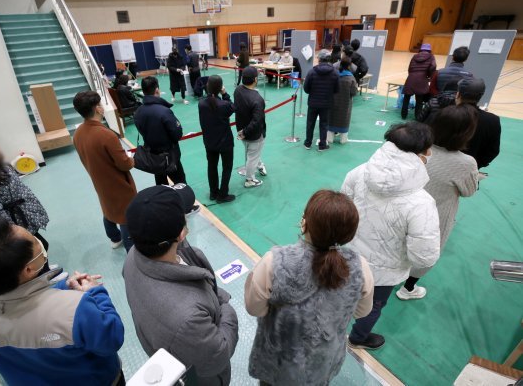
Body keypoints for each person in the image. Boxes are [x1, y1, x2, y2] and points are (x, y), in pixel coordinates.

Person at [0, 217, 125, 385]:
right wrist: (96, 292)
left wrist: (61, 288)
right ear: (29, 269)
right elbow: (112, 338)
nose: (38, 241)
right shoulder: (76, 309)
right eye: (34, 239)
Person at [245, 190, 374, 385]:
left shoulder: (274, 262)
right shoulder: (360, 266)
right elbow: (362, 311)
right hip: (323, 362)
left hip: (278, 362)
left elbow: (255, 308)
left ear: (305, 223)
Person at [123, 184, 239, 386]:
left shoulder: (133, 257)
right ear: (181, 233)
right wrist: (226, 307)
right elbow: (219, 354)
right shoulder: (187, 319)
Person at [342, 122, 440, 349]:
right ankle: (357, 338)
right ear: (421, 154)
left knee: (343, 294)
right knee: (372, 306)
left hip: (348, 257)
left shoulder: (359, 172)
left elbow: (342, 211)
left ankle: (335, 325)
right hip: (384, 273)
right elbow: (423, 257)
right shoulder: (422, 203)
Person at [398, 106, 478, 300]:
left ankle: (394, 277)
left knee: (401, 242)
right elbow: (468, 191)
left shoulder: (418, 148)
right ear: (466, 134)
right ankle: (407, 288)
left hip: (405, 206)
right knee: (427, 248)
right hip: (437, 213)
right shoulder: (466, 163)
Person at [73, 91, 136, 252]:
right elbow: (125, 164)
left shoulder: (78, 133)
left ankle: (114, 238)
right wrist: (131, 159)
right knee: (126, 215)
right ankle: (132, 253)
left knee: (108, 208)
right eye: (100, 104)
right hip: (118, 183)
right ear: (97, 109)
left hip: (99, 180)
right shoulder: (106, 135)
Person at [134, 77, 197, 201]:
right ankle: (186, 206)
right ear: (157, 90)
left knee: (161, 183)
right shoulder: (164, 111)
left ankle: (164, 204)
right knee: (180, 182)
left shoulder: (138, 112)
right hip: (170, 156)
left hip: (153, 155)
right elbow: (177, 133)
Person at [198, 75, 236, 203]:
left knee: (212, 166)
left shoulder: (201, 103)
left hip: (209, 141)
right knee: (227, 167)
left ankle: (213, 193)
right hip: (225, 142)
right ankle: (223, 194)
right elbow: (232, 106)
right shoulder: (224, 105)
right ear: (220, 88)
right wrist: (225, 94)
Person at [456, 78, 501, 169]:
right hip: (471, 169)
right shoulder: (493, 120)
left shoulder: (447, 114)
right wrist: (476, 165)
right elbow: (493, 151)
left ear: (458, 95)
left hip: (443, 167)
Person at [234, 66, 268, 188]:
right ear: (255, 79)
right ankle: (250, 180)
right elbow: (256, 121)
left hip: (241, 131)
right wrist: (245, 132)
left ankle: (259, 165)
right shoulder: (257, 99)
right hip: (252, 134)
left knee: (251, 152)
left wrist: (242, 132)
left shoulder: (237, 90)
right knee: (252, 156)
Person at [303, 49, 339, 151]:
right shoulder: (335, 73)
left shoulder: (312, 72)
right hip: (327, 103)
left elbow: (306, 88)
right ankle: (322, 145)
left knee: (310, 123)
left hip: (313, 102)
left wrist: (313, 92)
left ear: (319, 59)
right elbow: (337, 89)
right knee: (324, 124)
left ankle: (307, 143)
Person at [327, 56, 358, 145]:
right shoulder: (351, 78)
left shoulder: (335, 75)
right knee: (344, 120)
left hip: (333, 102)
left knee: (332, 118)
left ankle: (329, 139)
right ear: (349, 66)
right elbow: (354, 92)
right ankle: (343, 140)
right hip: (345, 104)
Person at [402, 43, 436, 120]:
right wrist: (429, 76)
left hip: (411, 79)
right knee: (419, 100)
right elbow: (433, 67)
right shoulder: (431, 57)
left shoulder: (414, 56)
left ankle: (403, 115)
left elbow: (410, 68)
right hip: (422, 80)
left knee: (406, 98)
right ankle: (417, 117)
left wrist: (411, 75)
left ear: (420, 49)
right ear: (429, 50)